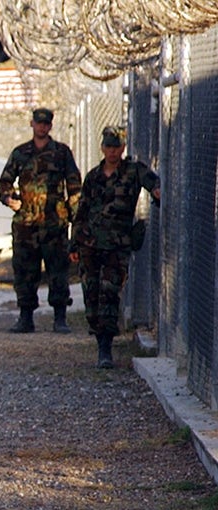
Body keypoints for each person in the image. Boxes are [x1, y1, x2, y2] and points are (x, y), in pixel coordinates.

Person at [69, 126, 161, 368]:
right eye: (108, 146)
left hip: (117, 246)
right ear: (102, 148)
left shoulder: (132, 171)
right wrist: (74, 243)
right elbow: (82, 212)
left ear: (122, 147)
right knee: (91, 296)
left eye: (116, 146)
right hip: (90, 245)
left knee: (109, 293)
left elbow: (154, 183)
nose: (112, 151)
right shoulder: (93, 176)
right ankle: (98, 333)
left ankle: (105, 348)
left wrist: (157, 192)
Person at [0, 107, 82, 333]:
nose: (42, 127)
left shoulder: (61, 152)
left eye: (46, 124)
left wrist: (74, 215)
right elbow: (4, 182)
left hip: (54, 222)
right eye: (39, 123)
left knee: (58, 270)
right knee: (25, 271)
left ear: (50, 126)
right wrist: (9, 198)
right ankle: (25, 317)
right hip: (26, 223)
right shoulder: (20, 153)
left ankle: (60, 317)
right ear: (32, 124)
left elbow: (74, 185)